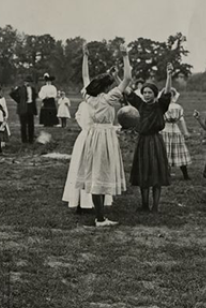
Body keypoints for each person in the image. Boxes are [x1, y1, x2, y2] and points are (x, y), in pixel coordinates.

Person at [75, 51, 133, 227]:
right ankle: (100, 218)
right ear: (107, 87)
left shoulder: (89, 97)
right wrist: (125, 55)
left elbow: (85, 75)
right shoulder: (109, 98)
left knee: (96, 175)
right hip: (104, 138)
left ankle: (100, 217)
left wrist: (85, 57)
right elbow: (128, 78)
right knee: (100, 173)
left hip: (93, 136)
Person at [125, 66, 173, 212]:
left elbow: (168, 92)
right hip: (143, 141)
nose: (146, 95)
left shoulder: (160, 105)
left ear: (155, 94)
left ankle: (155, 206)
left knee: (156, 174)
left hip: (155, 141)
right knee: (143, 173)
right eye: (144, 92)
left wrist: (169, 75)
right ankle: (145, 204)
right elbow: (126, 90)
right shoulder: (139, 104)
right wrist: (116, 78)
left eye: (149, 92)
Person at [62, 87, 114, 212]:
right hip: (92, 137)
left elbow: (79, 117)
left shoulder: (88, 105)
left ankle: (86, 201)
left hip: (87, 136)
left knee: (91, 168)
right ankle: (84, 201)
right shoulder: (93, 105)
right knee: (87, 168)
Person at [161, 88, 191, 180]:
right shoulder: (178, 107)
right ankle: (185, 175)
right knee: (180, 152)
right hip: (176, 130)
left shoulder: (163, 106)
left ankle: (166, 174)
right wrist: (185, 131)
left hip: (165, 130)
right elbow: (181, 120)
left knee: (166, 152)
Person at [10, 76, 38, 143]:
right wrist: (19, 101)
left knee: (31, 125)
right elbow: (12, 94)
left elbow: (35, 97)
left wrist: (34, 108)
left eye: (29, 82)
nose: (27, 83)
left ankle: (31, 140)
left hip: (30, 107)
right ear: (24, 82)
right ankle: (24, 140)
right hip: (22, 108)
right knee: (23, 125)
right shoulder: (20, 88)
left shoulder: (33, 89)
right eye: (26, 81)